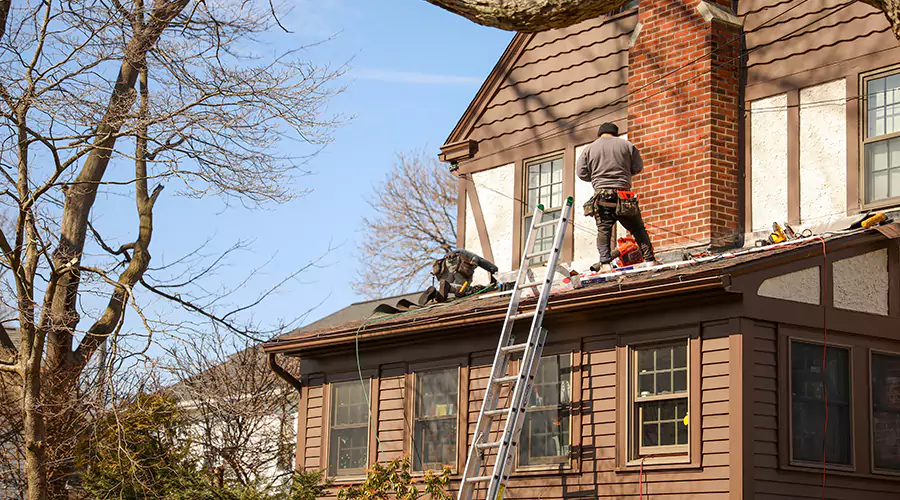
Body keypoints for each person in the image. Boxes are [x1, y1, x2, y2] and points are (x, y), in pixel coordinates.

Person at [577, 122, 657, 272]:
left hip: (602, 195)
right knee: (638, 229)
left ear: (600, 134)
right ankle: (650, 261)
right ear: (615, 133)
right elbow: (637, 167)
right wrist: (624, 173)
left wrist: (596, 177)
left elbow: (581, 173)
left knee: (604, 230)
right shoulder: (627, 146)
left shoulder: (589, 149)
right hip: (624, 195)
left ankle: (605, 263)